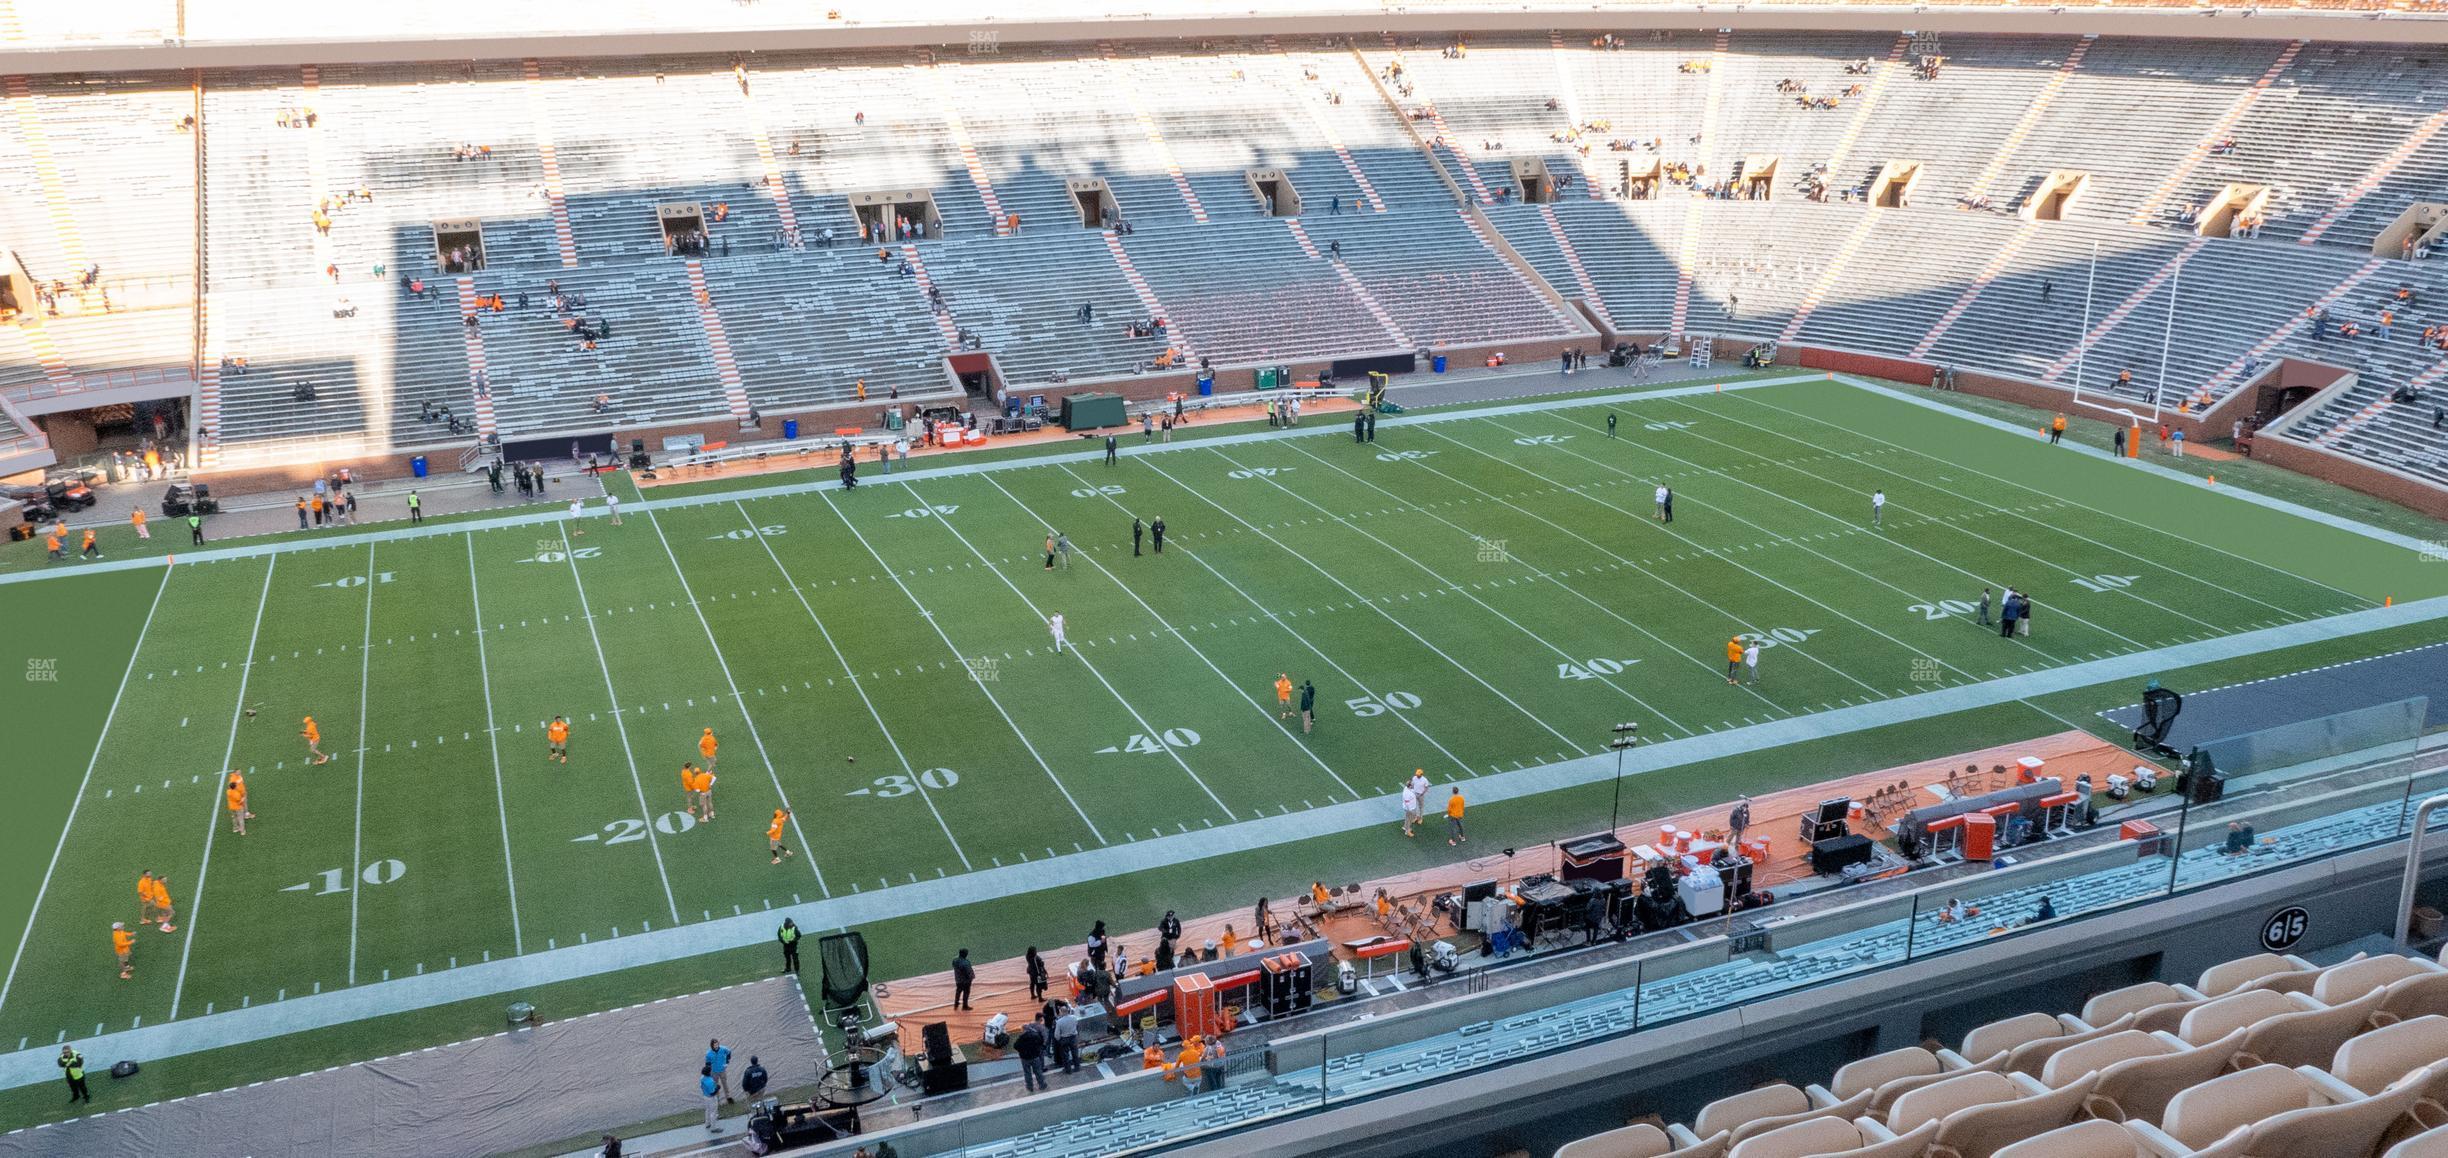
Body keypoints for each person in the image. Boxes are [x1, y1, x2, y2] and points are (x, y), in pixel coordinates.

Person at [1015, 1019, 1049, 1092]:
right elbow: (1040, 1042)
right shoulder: (1035, 1036)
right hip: (1035, 1056)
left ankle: (1030, 1087)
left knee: (1027, 1073)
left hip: (1025, 1058)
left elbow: (1016, 1046)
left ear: (1023, 1030)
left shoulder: (1021, 1038)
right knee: (1038, 1071)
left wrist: (1022, 1051)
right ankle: (1042, 1084)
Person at [1054, 1001, 1082, 1073]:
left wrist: (1059, 1039)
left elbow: (1057, 1034)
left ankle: (1068, 1069)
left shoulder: (1059, 1022)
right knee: (1075, 1053)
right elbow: (1077, 1026)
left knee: (1065, 1055)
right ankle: (1077, 1067)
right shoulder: (1074, 1018)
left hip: (1064, 1038)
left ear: (1061, 1012)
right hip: (1073, 1037)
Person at [225, 770, 251, 835]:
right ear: (235, 787)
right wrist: (244, 797)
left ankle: (235, 828)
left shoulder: (228, 791)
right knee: (240, 819)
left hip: (231, 807)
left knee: (234, 817)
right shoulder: (236, 794)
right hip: (237, 807)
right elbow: (240, 801)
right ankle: (242, 831)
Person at [699, 1064, 722, 1132]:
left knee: (707, 1110)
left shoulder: (702, 1078)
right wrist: (717, 1088)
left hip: (705, 1096)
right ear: (709, 1072)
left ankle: (707, 1123)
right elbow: (712, 1092)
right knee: (713, 1112)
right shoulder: (710, 1081)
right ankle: (714, 1128)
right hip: (711, 1098)